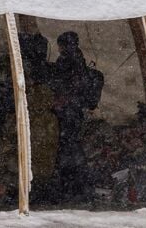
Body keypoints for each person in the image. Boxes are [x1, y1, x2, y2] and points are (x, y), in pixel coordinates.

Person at [48, 31, 91, 202]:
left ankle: (68, 187)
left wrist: (62, 100)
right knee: (71, 147)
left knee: (67, 147)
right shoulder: (76, 58)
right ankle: (74, 187)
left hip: (69, 110)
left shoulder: (69, 60)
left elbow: (69, 84)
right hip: (73, 109)